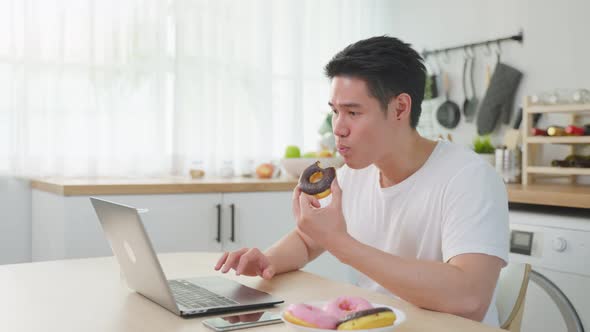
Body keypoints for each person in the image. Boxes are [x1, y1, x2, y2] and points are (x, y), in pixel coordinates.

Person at [214, 36, 509, 326]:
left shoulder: (469, 178)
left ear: (400, 108)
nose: (338, 128)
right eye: (335, 111)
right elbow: (308, 239)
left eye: (353, 112)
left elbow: (470, 298)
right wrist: (268, 260)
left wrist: (343, 245)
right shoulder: (353, 174)